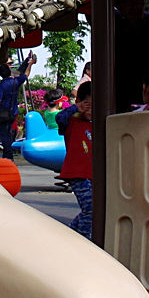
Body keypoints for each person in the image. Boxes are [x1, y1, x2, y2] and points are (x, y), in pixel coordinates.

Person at [57, 81, 94, 238]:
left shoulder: (94, 124)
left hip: (91, 174)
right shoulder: (72, 121)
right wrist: (76, 108)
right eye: (88, 105)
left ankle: (70, 235)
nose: (91, 110)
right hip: (76, 173)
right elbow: (60, 118)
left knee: (92, 210)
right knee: (91, 210)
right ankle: (82, 239)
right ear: (79, 103)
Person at [0, 56, 34, 160]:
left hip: (3, 112)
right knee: (9, 132)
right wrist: (30, 64)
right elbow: (25, 74)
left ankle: (8, 155)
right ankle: (7, 154)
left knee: (3, 134)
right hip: (13, 111)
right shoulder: (15, 82)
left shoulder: (1, 85)